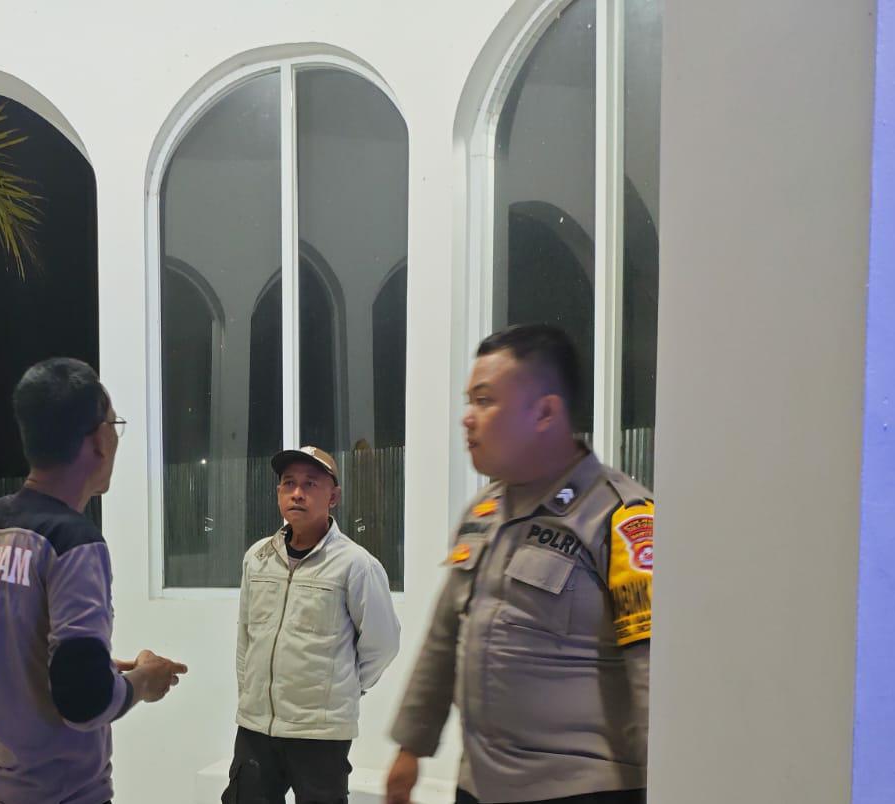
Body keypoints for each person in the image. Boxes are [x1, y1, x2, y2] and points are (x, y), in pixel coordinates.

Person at [385, 324, 653, 804]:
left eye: (485, 400)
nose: (468, 418)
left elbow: (651, 671)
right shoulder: (483, 515)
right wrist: (411, 747)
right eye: (469, 401)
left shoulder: (620, 517)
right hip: (479, 786)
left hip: (581, 791)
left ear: (545, 412)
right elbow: (444, 639)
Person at [0, 357, 188, 804]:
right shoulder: (75, 544)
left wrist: (64, 672)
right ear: (99, 440)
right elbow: (85, 702)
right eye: (115, 425)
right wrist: (146, 680)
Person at [224, 445, 401, 804]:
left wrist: (341, 689)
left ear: (333, 496)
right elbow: (246, 638)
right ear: (278, 493)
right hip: (257, 726)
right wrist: (251, 693)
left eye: (310, 484)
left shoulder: (355, 565)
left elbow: (383, 644)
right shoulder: (257, 558)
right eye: (288, 483)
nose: (297, 493)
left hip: (320, 733)